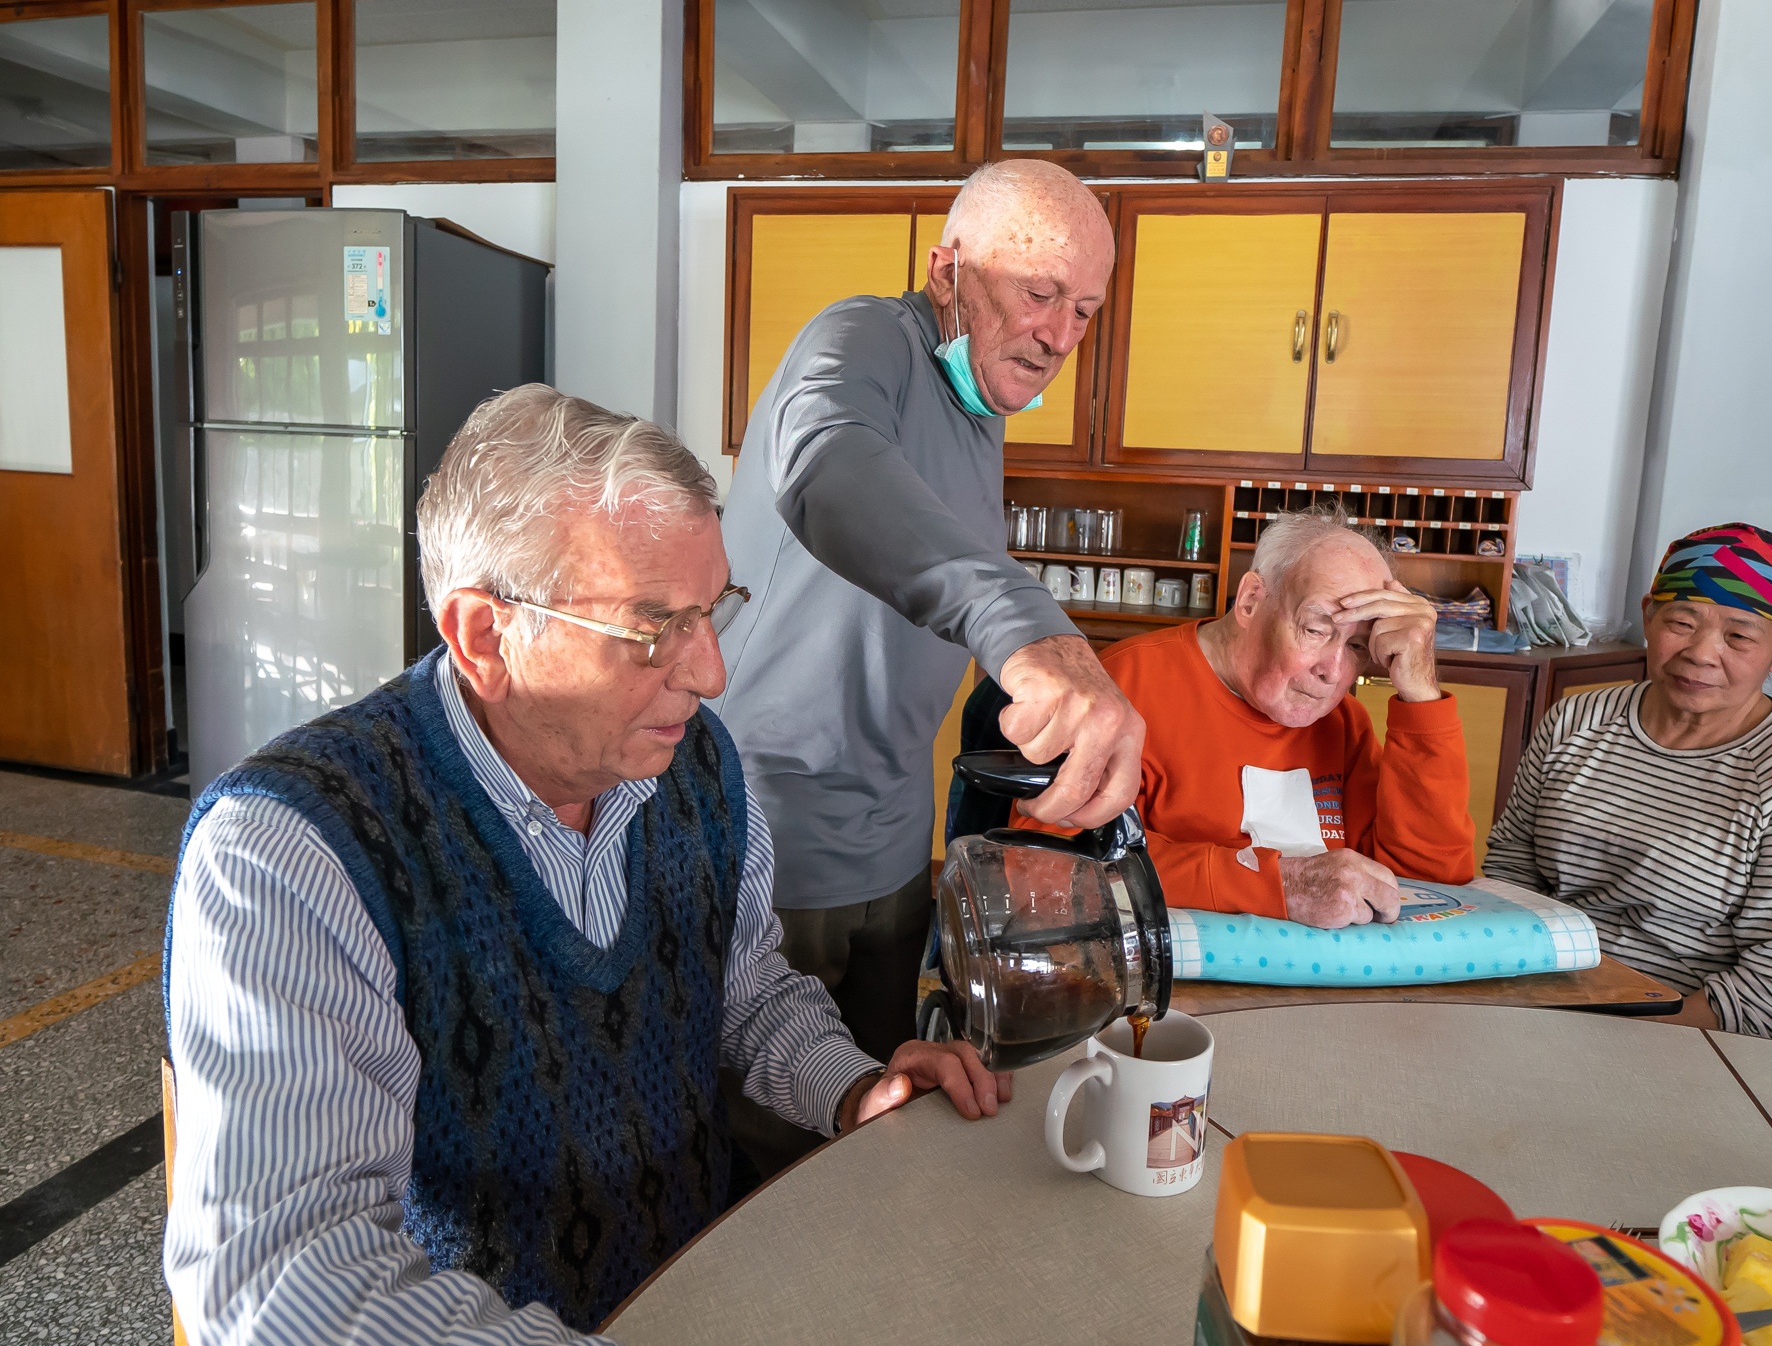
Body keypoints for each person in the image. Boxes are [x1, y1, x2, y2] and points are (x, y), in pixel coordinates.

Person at [163, 386, 1010, 1344]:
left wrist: (855, 1087)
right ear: (485, 635)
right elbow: (287, 1286)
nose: (711, 673)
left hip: (704, 1285)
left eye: (713, 610)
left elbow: (744, 990)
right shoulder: (292, 852)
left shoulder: (695, 759)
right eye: (654, 628)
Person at [717, 161, 1143, 1070]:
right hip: (776, 836)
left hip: (898, 839)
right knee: (775, 1128)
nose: (1059, 336)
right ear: (947, 272)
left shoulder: (980, 403)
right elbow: (826, 462)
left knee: (887, 1107)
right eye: (1039, 293)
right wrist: (1025, 627)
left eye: (1084, 310)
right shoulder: (865, 335)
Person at [1483, 523, 1772, 1042]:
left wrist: (1597, 1037)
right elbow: (1511, 875)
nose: (1702, 653)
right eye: (1682, 623)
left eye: (1739, 636)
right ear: (1649, 616)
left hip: (1698, 1040)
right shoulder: (1576, 720)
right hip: (1547, 1006)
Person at [1020, 506, 1477, 928]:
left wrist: (1421, 696)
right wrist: (1277, 886)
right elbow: (1046, 869)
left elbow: (1427, 888)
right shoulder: (1122, 688)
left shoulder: (1345, 725)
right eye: (1316, 629)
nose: (1334, 672)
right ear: (1251, 600)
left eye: (1358, 645)